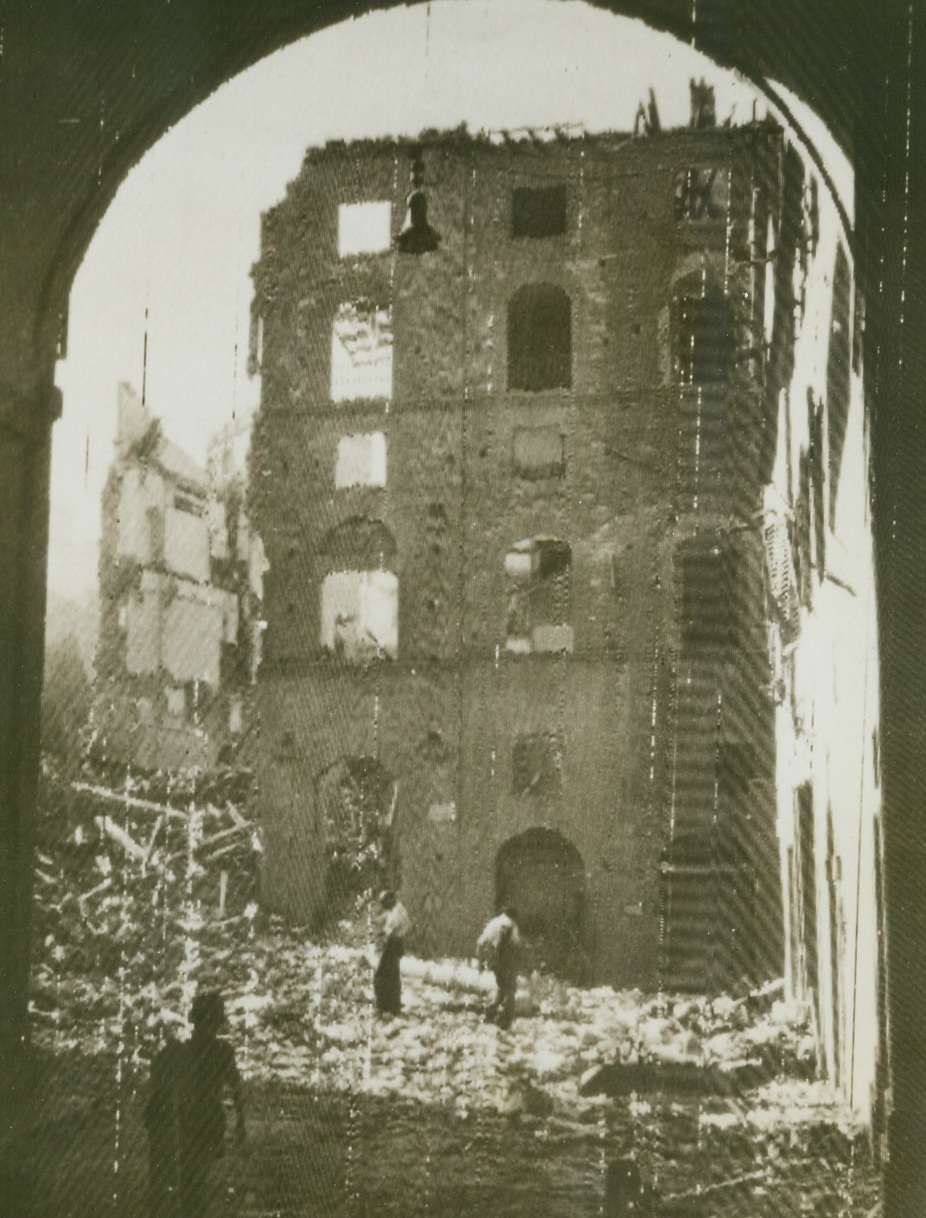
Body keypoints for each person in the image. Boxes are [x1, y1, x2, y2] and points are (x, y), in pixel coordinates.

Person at [145, 989, 246, 1217]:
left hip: (185, 1120)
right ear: (217, 1023)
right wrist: (241, 1123)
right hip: (208, 1122)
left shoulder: (180, 1051)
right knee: (196, 1180)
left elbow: (158, 1080)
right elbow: (237, 1090)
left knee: (190, 1180)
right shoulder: (223, 1052)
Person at [477, 907, 522, 1029]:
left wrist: (481, 961)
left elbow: (480, 942)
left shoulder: (494, 922)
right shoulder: (508, 923)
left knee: (502, 989)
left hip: (495, 959)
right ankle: (504, 1020)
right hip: (504, 958)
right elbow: (504, 940)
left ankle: (489, 1014)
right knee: (510, 989)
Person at [374, 889, 411, 1016]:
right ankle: (391, 1006)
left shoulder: (398, 911)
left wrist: (386, 935)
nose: (383, 906)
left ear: (391, 900)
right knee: (391, 975)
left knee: (383, 974)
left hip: (393, 943)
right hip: (394, 943)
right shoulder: (394, 910)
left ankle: (386, 1005)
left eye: (384, 902)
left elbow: (395, 928)